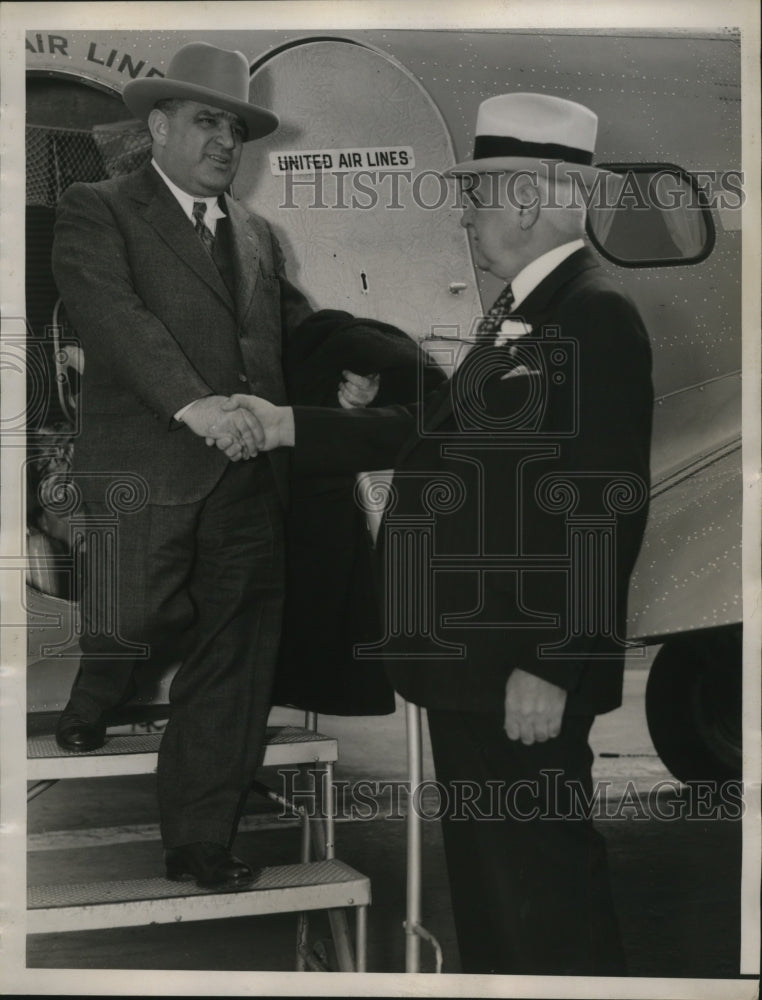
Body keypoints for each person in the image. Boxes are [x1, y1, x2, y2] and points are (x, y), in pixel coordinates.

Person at [222, 93, 654, 973]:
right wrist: (292, 424)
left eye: (478, 193)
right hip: (478, 666)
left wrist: (551, 662)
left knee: (542, 891)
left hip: (516, 670)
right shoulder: (529, 312)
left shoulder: (592, 314)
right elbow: (437, 439)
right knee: (502, 890)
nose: (463, 211)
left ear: (528, 201)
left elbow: (604, 503)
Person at [50, 42, 374, 891]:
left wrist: (346, 374)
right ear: (157, 127)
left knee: (236, 654)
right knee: (135, 616)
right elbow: (114, 316)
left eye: (235, 126)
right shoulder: (98, 209)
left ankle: (200, 839)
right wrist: (196, 406)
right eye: (206, 121)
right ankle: (99, 698)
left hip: (244, 478)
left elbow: (293, 329)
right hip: (147, 465)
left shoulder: (261, 235)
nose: (226, 141)